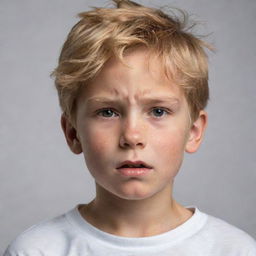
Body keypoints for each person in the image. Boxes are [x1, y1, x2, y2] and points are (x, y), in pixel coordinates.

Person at [4, 0, 256, 255]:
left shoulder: (234, 250)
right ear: (72, 133)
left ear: (193, 132)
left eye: (158, 111)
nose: (132, 136)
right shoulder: (36, 251)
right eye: (108, 112)